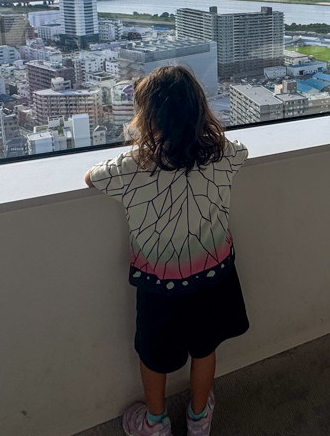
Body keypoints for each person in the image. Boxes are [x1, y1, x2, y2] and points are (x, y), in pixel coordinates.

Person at [85, 65, 250, 436]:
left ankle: (155, 423)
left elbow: (91, 177)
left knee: (154, 356)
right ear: (200, 108)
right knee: (205, 348)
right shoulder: (222, 153)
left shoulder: (132, 166)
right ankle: (198, 418)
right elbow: (243, 150)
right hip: (213, 274)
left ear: (147, 116)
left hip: (161, 284)